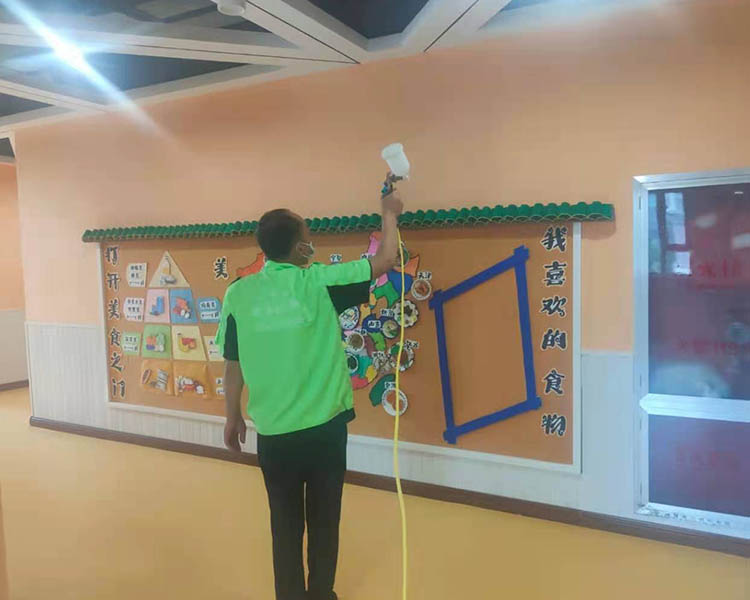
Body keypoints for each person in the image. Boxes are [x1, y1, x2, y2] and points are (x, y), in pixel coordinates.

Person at [216, 175, 404, 600]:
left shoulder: (238, 294)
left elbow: (233, 363)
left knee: (283, 525)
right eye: (307, 235)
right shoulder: (319, 282)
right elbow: (385, 260)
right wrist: (389, 214)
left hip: (274, 436)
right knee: (324, 521)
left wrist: (232, 416)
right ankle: (321, 594)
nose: (311, 242)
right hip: (325, 431)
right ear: (299, 247)